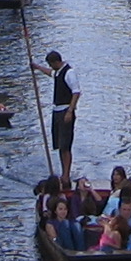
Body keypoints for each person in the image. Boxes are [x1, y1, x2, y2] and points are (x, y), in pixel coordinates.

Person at [34, 49, 81, 185]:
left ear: (56, 62)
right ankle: (63, 173)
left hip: (65, 111)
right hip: (57, 111)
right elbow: (51, 73)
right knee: (60, 145)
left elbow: (76, 92)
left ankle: (66, 175)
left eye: (50, 64)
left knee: (65, 145)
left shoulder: (69, 73)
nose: (50, 67)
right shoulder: (58, 72)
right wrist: (37, 67)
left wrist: (70, 111)